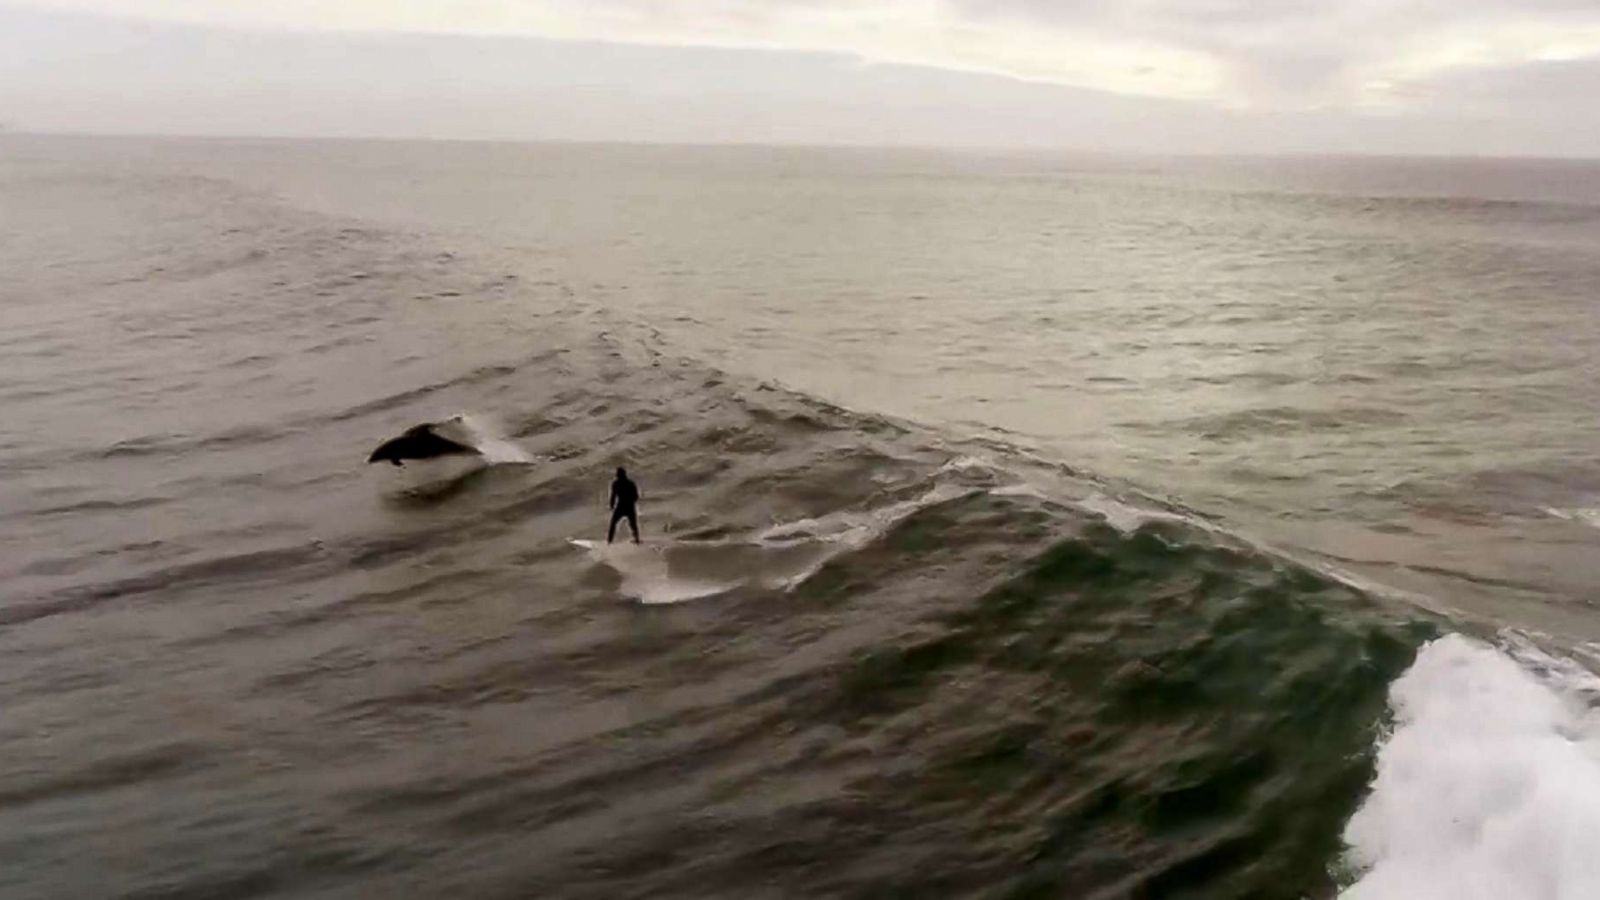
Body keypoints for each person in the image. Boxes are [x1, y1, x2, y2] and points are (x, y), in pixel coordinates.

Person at [608, 467, 640, 544]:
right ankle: (637, 539)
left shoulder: (616, 484)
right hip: (629, 506)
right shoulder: (630, 483)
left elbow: (613, 496)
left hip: (621, 506)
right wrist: (631, 502)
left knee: (613, 523)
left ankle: (609, 540)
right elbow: (636, 496)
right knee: (633, 524)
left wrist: (612, 505)